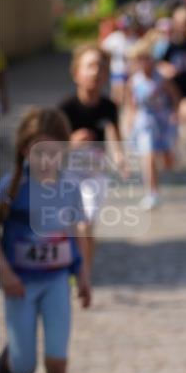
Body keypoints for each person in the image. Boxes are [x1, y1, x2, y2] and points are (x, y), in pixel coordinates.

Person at [0, 108, 91, 373]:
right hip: (20, 285)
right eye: (39, 151)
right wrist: (5, 273)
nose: (46, 160)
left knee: (57, 358)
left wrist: (83, 276)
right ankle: (10, 358)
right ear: (25, 149)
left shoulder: (69, 188)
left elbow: (77, 232)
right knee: (24, 368)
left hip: (56, 283)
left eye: (54, 152)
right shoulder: (9, 187)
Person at [59, 44, 123, 266]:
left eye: (101, 67)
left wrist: (120, 158)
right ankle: (72, 262)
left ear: (107, 74)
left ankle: (84, 269)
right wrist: (71, 143)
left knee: (86, 222)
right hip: (69, 173)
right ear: (76, 73)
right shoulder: (65, 109)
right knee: (70, 224)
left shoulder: (109, 106)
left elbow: (115, 134)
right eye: (90, 66)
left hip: (94, 175)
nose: (95, 72)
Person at [127, 39, 178, 210]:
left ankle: (166, 167)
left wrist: (174, 113)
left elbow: (174, 96)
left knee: (167, 159)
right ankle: (152, 192)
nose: (144, 62)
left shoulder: (161, 78)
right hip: (145, 122)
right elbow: (131, 104)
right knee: (147, 157)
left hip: (161, 120)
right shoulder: (134, 81)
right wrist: (130, 123)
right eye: (140, 59)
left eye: (146, 58)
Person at [157, 6, 186, 155]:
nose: (185, 26)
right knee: (173, 120)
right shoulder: (168, 45)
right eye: (182, 22)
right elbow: (157, 63)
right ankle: (172, 148)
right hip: (172, 89)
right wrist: (167, 68)